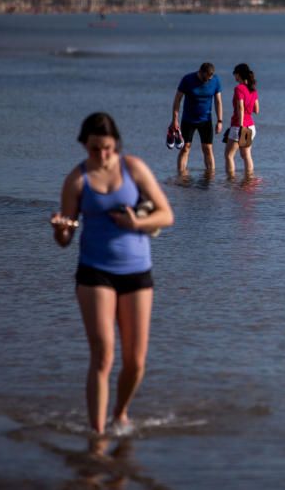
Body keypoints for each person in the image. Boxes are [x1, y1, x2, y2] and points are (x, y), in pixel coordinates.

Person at [50, 112, 174, 436]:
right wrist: (59, 229)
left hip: (137, 274)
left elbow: (166, 214)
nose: (102, 156)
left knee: (135, 362)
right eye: (94, 149)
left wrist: (137, 224)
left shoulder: (133, 168)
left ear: (116, 144)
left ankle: (120, 413)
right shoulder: (77, 180)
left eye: (107, 148)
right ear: (84, 146)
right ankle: (98, 435)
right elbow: (65, 239)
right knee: (103, 354)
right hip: (94, 273)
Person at [171, 62, 223, 172]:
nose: (209, 80)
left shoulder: (215, 80)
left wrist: (219, 121)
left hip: (206, 120)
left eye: (210, 78)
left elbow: (218, 101)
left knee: (208, 149)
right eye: (207, 77)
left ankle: (210, 176)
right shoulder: (187, 79)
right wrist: (174, 119)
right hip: (188, 120)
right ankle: (181, 175)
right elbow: (177, 100)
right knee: (185, 148)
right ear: (201, 72)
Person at [224, 63, 260, 176]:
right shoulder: (253, 89)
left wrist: (240, 127)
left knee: (229, 155)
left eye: (235, 75)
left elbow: (240, 107)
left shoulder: (239, 88)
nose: (234, 77)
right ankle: (249, 179)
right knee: (246, 155)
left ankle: (231, 181)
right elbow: (257, 110)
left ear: (238, 75)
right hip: (251, 126)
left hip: (240, 126)